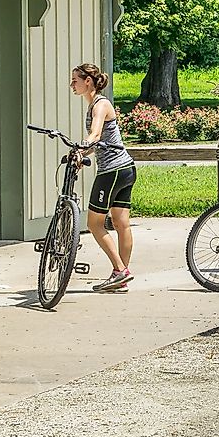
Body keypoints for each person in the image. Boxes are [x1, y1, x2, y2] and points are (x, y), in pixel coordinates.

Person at [70, 63, 135, 293]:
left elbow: (95, 134)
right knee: (120, 223)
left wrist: (80, 148)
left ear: (88, 81)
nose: (72, 85)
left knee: (94, 224)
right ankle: (122, 277)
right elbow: (97, 142)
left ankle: (120, 270)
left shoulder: (100, 104)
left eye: (75, 80)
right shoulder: (96, 104)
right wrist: (83, 152)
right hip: (126, 168)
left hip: (111, 171)